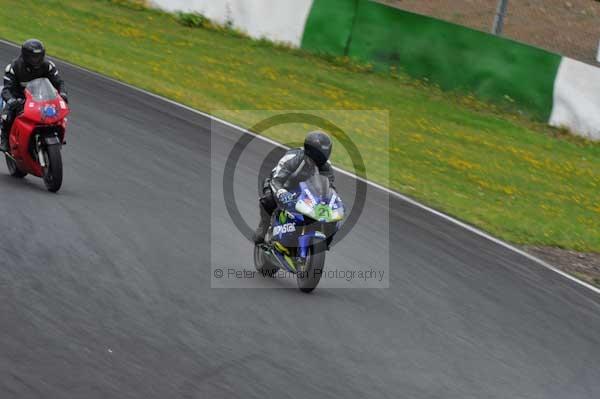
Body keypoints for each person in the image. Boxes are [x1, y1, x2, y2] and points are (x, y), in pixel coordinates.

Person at [253, 131, 335, 244]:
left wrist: (332, 200)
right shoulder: (294, 157)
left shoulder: (327, 167)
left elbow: (328, 187)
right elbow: (276, 179)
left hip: (305, 192)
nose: (322, 156)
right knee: (268, 199)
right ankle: (264, 226)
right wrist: (282, 192)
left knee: (330, 214)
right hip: (280, 185)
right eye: (319, 153)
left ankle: (321, 241)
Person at [1, 39, 68, 152]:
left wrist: (63, 93)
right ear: (26, 56)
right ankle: (4, 138)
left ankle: (57, 134)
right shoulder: (14, 67)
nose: (36, 60)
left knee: (57, 110)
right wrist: (12, 100)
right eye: (33, 57)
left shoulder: (48, 66)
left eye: (39, 56)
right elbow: (6, 90)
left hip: (41, 97)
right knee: (7, 114)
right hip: (20, 98)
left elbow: (59, 82)